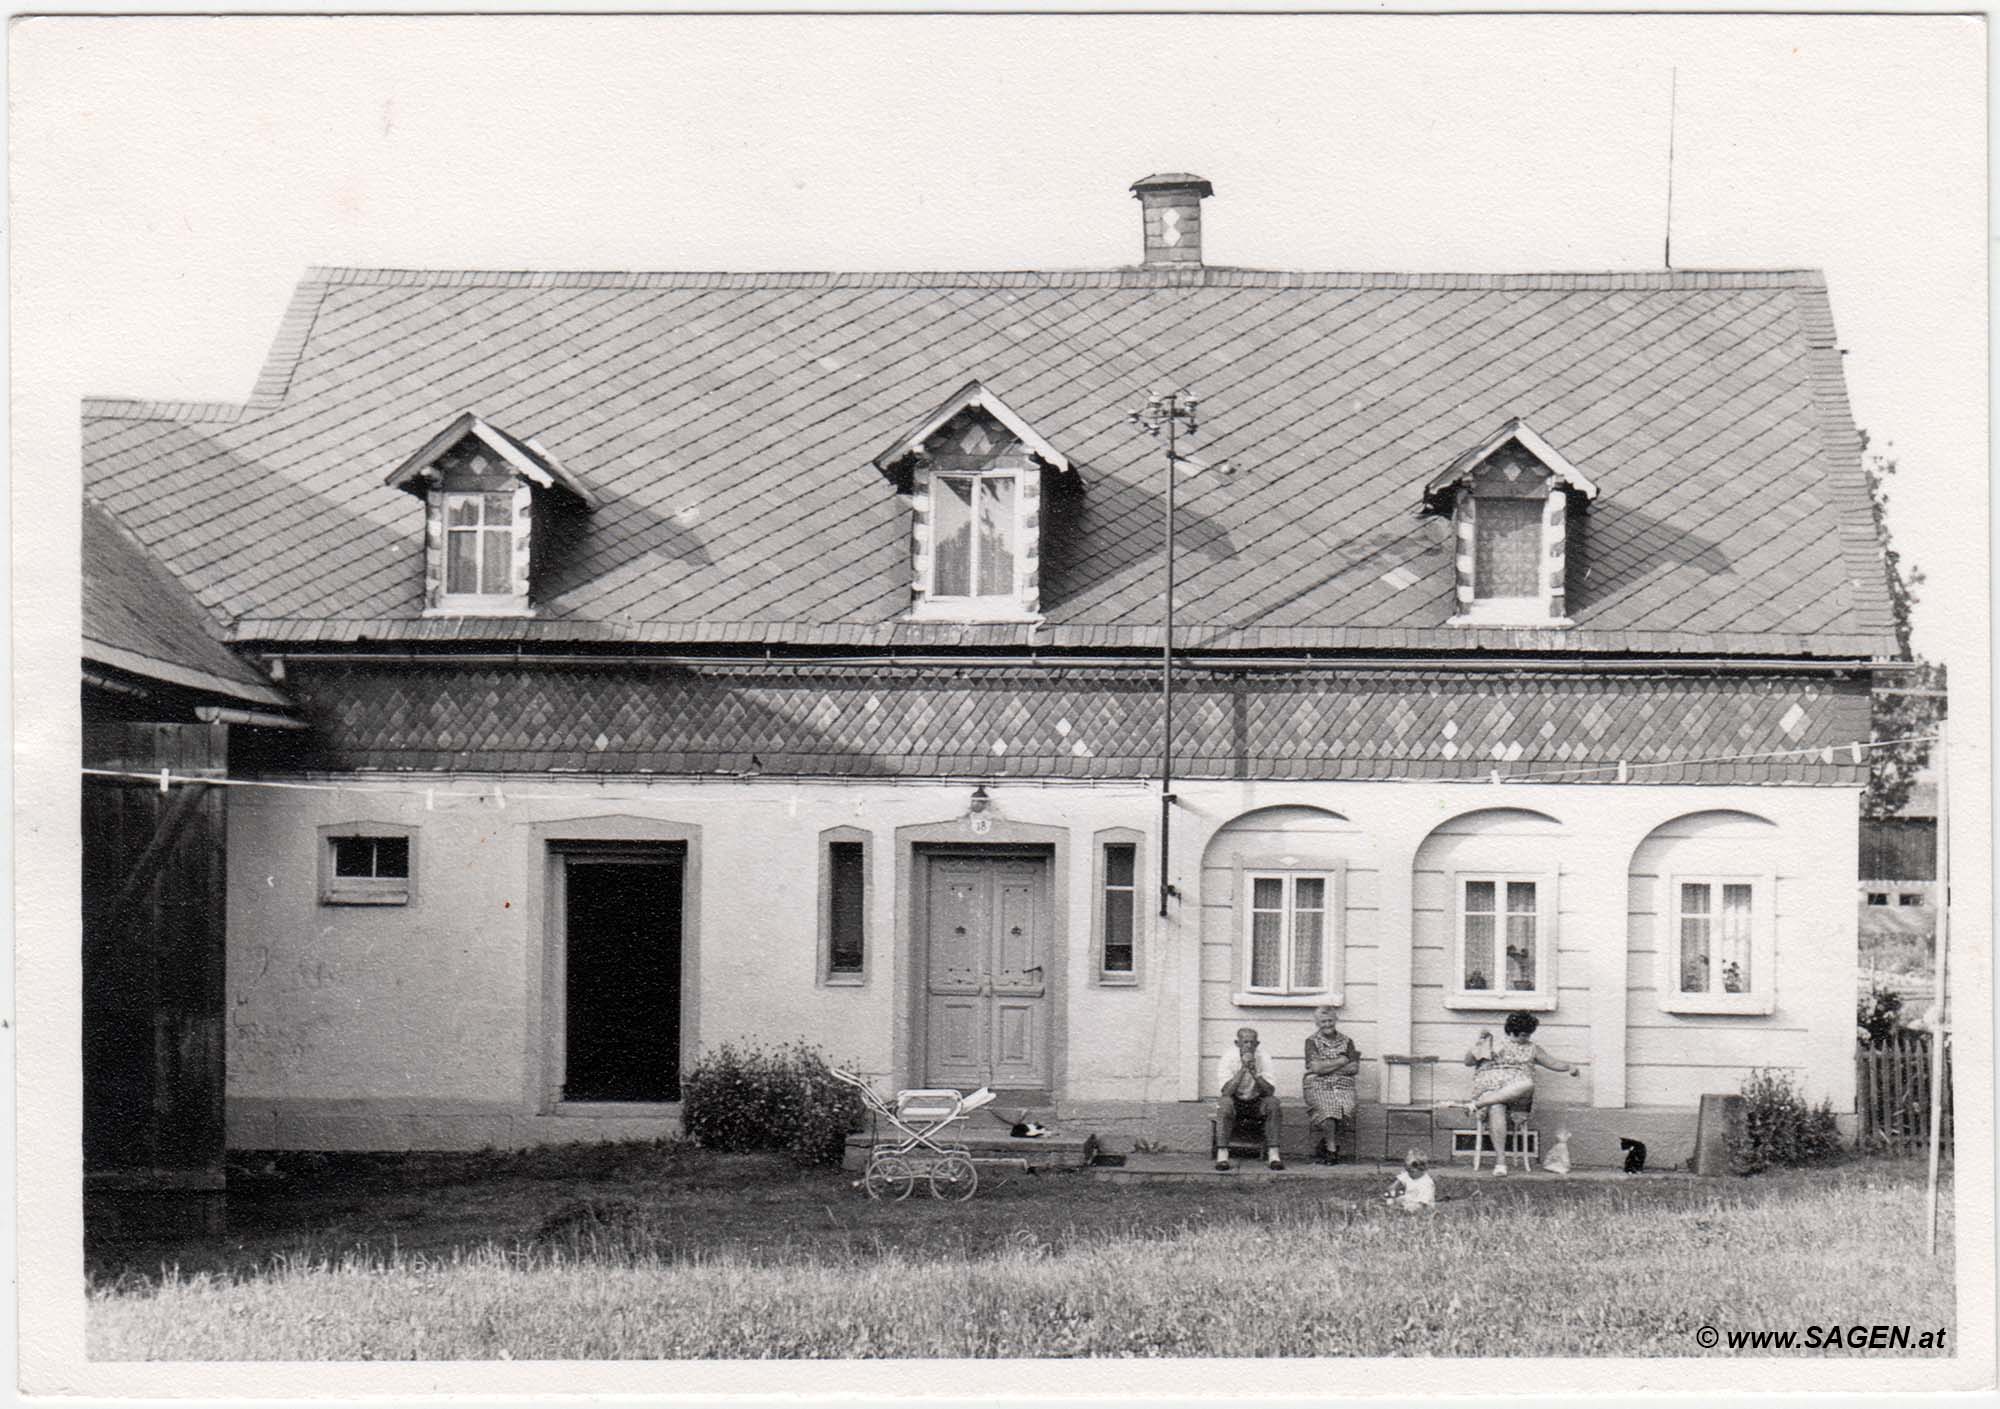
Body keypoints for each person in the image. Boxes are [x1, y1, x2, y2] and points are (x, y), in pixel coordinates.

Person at [1462, 1010, 1580, 1175]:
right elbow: (1468, 1062)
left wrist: (1569, 1067)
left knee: (1527, 1084)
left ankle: (1477, 1105)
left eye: (1528, 1035)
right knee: (1496, 1106)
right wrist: (1478, 1044)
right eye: (1523, 1035)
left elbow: (1552, 1063)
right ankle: (1501, 1163)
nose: (1526, 1039)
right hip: (1492, 1092)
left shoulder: (1532, 1048)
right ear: (1511, 1031)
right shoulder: (1493, 1044)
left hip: (1518, 1096)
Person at [1215, 1026, 1284, 1171]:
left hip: (1256, 1101)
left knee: (1273, 1103)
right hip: (1235, 1100)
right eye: (1245, 1042)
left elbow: (1270, 1091)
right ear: (1237, 1043)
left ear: (1257, 1044)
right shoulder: (1228, 1058)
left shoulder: (1263, 1057)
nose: (1249, 1046)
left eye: (1253, 1043)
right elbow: (1226, 1092)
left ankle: (1274, 1155)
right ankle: (1222, 1155)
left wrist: (1255, 1073)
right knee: (1224, 1104)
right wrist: (1243, 1069)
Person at [1302, 1005, 1361, 1165]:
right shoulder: (1311, 1041)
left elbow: (1354, 1068)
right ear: (1317, 1023)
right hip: (1317, 1084)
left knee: (1347, 1109)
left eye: (1330, 1021)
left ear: (1336, 1020)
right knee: (1329, 1110)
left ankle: (1325, 1143)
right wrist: (1342, 1061)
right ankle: (1331, 1150)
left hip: (1343, 1085)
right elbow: (1316, 1068)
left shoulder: (1347, 1041)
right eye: (1323, 1021)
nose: (1327, 1024)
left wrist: (1327, 1066)